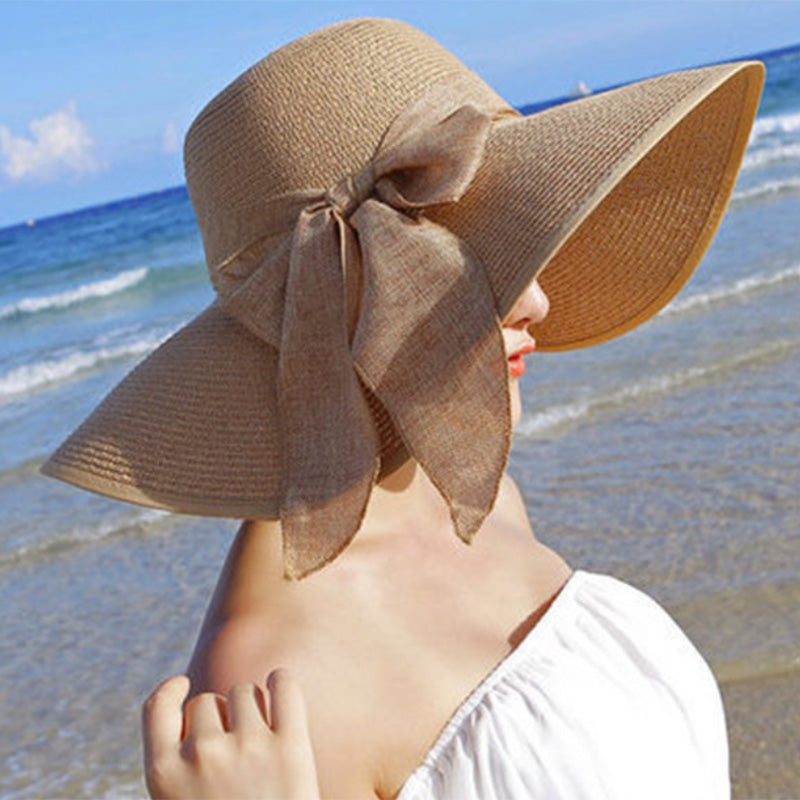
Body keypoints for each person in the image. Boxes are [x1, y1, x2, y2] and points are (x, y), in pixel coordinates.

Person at [41, 17, 765, 800]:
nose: (538, 300)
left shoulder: (475, 499)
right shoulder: (275, 689)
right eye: (472, 261)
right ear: (329, 307)